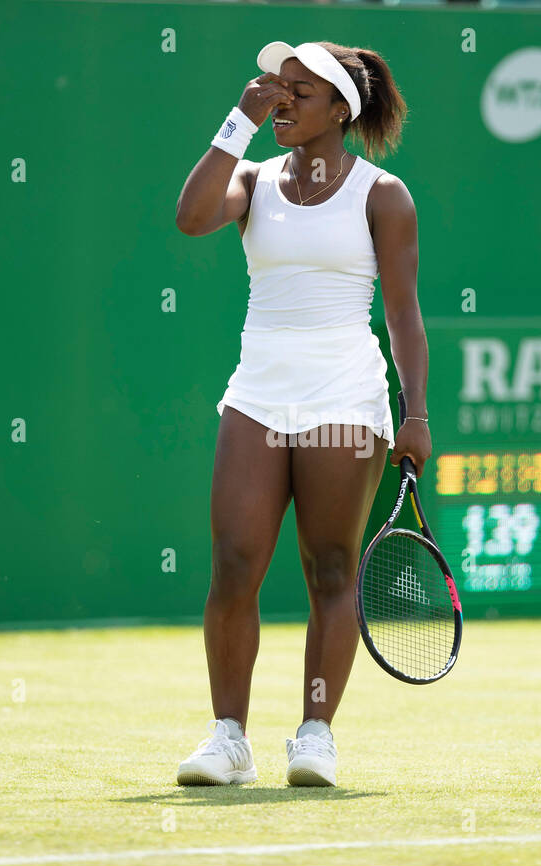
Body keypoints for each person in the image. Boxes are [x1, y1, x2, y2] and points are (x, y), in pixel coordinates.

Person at [173, 41, 427, 786]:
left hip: (346, 396)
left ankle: (315, 733)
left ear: (340, 110)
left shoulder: (384, 194)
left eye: (299, 91)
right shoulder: (251, 180)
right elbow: (190, 218)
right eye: (275, 87)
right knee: (234, 564)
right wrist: (235, 123)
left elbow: (406, 316)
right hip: (257, 393)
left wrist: (415, 415)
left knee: (332, 568)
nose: (279, 99)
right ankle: (229, 739)